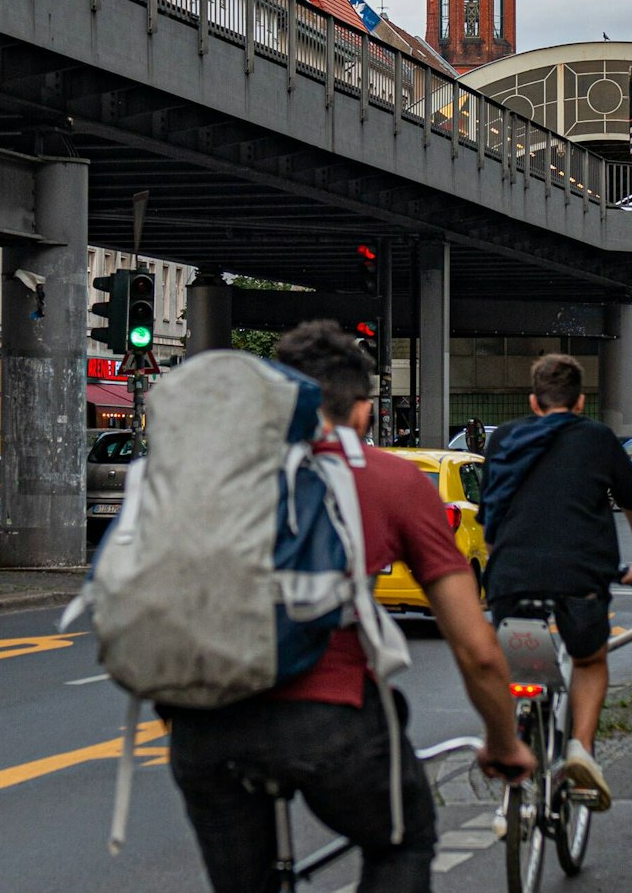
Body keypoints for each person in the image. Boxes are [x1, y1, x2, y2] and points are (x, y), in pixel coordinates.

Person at [166, 322, 534, 893]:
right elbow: (476, 648)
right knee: (402, 842)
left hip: (204, 726)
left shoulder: (211, 472)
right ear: (361, 412)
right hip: (329, 724)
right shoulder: (393, 480)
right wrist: (505, 744)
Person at [482, 352, 632, 809]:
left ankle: (524, 737)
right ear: (580, 402)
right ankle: (580, 749)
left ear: (533, 402)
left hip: (513, 579)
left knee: (527, 670)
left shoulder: (503, 438)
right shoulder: (598, 439)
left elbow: (492, 515)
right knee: (588, 660)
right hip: (581, 576)